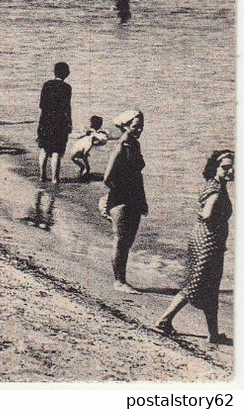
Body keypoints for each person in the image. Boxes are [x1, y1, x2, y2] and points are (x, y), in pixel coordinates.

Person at [157, 150, 234, 344]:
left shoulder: (214, 185)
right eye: (225, 167)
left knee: (206, 286)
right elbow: (207, 213)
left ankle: (213, 334)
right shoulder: (216, 190)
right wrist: (212, 219)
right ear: (215, 168)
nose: (230, 171)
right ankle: (164, 320)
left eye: (232, 167)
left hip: (205, 241)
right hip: (207, 243)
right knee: (197, 285)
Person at [100, 109, 148, 292]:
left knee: (127, 241)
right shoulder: (121, 146)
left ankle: (122, 279)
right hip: (121, 199)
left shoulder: (134, 145)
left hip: (133, 198)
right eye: (136, 126)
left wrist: (142, 199)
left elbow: (137, 175)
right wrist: (117, 193)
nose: (139, 130)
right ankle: (119, 281)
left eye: (141, 126)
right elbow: (107, 178)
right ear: (125, 126)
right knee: (121, 240)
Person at [37, 62, 73, 183]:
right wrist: (69, 122)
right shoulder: (67, 88)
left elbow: (41, 105)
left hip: (45, 120)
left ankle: (42, 176)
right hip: (60, 121)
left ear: (54, 72)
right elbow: (67, 107)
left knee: (44, 149)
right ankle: (54, 178)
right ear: (66, 73)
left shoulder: (46, 85)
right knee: (57, 151)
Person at [69, 116, 110, 180]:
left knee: (78, 161)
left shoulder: (88, 133)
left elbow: (80, 138)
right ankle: (84, 175)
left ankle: (82, 170)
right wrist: (86, 153)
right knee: (87, 167)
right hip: (79, 151)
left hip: (73, 151)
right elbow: (89, 145)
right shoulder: (91, 138)